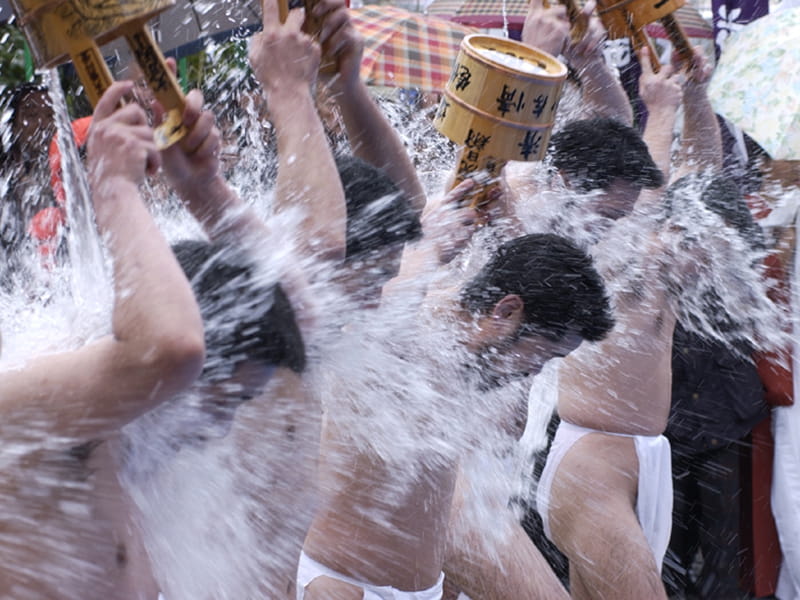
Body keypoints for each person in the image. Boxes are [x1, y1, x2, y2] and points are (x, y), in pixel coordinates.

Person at [298, 231, 615, 600]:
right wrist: (432, 244)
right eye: (541, 354)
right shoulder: (412, 332)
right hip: (340, 585)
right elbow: (385, 306)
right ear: (507, 311)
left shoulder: (477, 365)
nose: (535, 372)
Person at [533, 46, 739, 600]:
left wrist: (695, 96)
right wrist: (663, 108)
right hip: (591, 461)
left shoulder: (652, 241)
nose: (626, 216)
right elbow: (650, 204)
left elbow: (703, 182)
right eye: (615, 206)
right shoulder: (576, 241)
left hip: (646, 456)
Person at [0, 80, 206, 599]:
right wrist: (114, 186)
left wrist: (205, 191)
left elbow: (291, 324)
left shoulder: (65, 330)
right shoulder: (15, 395)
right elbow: (171, 348)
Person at [662, 179, 770, 600]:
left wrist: (721, 251)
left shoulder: (735, 244)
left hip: (726, 417)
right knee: (668, 537)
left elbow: (755, 272)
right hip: (670, 419)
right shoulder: (668, 226)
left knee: (726, 544)